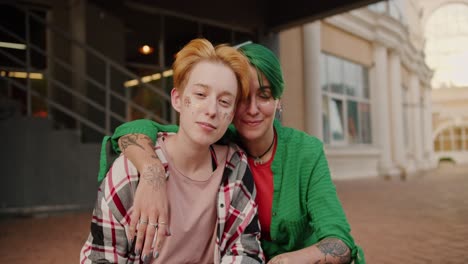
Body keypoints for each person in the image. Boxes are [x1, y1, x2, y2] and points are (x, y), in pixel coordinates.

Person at [100, 43, 365, 264]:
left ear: (278, 101)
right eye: (242, 98)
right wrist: (151, 171)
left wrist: (287, 260)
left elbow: (339, 240)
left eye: (264, 95)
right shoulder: (218, 138)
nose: (252, 109)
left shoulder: (306, 152)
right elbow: (135, 130)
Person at [81, 38, 264, 263]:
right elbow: (101, 256)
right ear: (177, 99)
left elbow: (245, 250)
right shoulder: (130, 171)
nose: (211, 110)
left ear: (233, 113)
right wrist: (152, 171)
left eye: (225, 101)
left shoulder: (234, 168)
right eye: (200, 95)